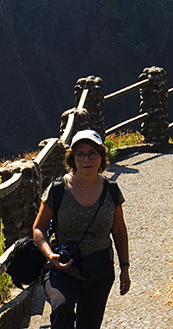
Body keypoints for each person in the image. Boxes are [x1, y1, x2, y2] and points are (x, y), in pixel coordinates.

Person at [32, 129, 130, 329]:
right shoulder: (58, 189)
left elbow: (119, 231)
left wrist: (124, 268)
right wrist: (50, 255)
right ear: (72, 158)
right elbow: (39, 228)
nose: (87, 159)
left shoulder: (111, 191)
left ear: (101, 156)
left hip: (99, 270)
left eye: (93, 153)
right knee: (62, 309)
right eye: (80, 154)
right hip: (62, 268)